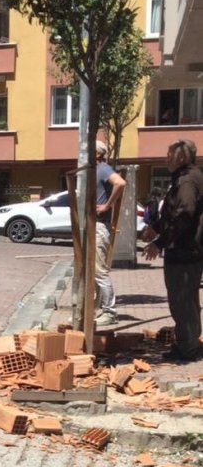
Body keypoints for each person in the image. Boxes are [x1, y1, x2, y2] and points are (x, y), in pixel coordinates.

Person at [142, 139, 203, 362]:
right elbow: (174, 212)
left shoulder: (187, 181)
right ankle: (187, 343)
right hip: (185, 250)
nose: (166, 158)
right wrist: (156, 228)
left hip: (185, 252)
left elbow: (185, 213)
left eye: (169, 154)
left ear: (181, 157)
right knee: (185, 300)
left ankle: (189, 348)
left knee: (182, 300)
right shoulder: (185, 178)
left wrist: (160, 242)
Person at [93, 140, 126, 327]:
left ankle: (110, 312)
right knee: (92, 272)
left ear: (98, 154)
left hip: (99, 226)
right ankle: (96, 311)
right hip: (92, 225)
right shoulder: (93, 171)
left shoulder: (103, 168)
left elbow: (120, 183)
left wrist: (107, 205)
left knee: (100, 271)